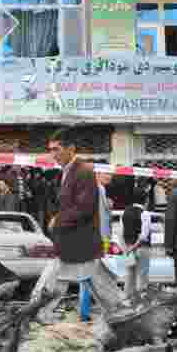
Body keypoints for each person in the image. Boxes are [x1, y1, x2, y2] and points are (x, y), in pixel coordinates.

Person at [30, 128, 122, 310]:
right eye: (50, 149)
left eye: (56, 149)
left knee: (52, 285)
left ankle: (35, 313)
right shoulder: (68, 171)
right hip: (72, 243)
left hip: (80, 243)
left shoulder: (83, 171)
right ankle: (37, 313)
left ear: (70, 148)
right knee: (100, 289)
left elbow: (84, 208)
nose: (52, 154)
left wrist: (59, 219)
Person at [119, 188, 153, 298]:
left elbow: (121, 232)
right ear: (146, 200)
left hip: (128, 248)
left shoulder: (125, 212)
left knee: (129, 275)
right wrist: (134, 247)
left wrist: (127, 248)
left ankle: (127, 299)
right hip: (142, 248)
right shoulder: (145, 214)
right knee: (142, 276)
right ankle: (141, 300)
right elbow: (143, 236)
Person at [97, 171, 113, 255]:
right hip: (102, 224)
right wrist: (109, 203)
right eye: (106, 173)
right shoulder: (100, 188)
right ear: (98, 173)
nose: (109, 176)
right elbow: (107, 207)